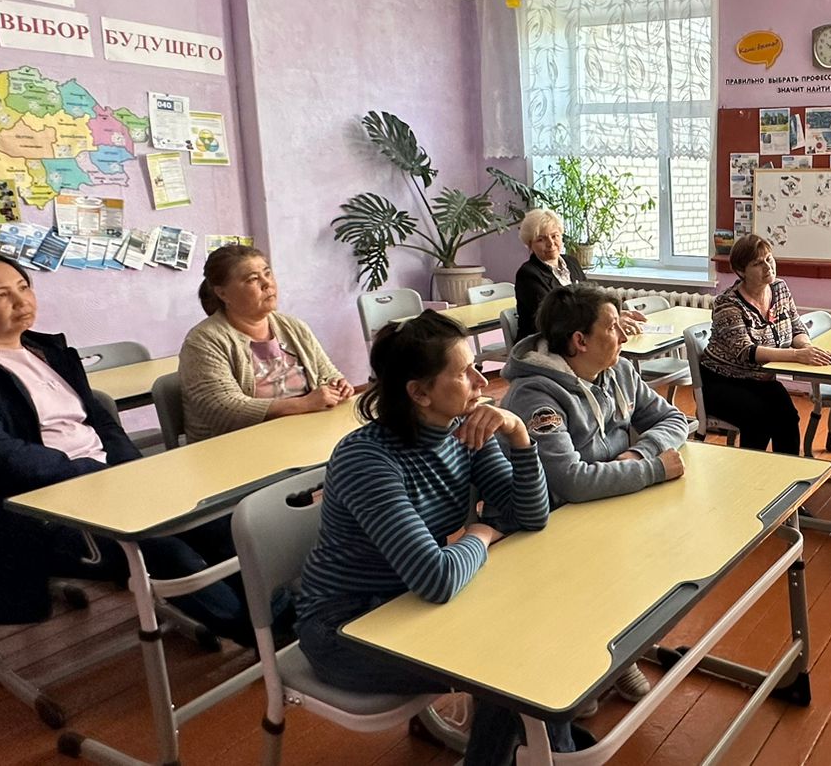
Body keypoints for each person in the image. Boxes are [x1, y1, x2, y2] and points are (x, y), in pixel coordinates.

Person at [295, 309, 580, 763]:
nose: (482, 382)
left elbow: (530, 516)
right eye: (464, 373)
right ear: (419, 392)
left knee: (537, 633)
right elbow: (437, 578)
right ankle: (536, 748)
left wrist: (519, 435)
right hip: (344, 628)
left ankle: (543, 747)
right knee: (512, 670)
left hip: (409, 603)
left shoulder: (461, 431)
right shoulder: (366, 460)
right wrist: (480, 534)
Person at [0, 252, 257, 647]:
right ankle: (263, 636)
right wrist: (90, 474)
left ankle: (277, 617)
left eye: (23, 287)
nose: (22, 302)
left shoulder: (45, 351)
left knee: (222, 524)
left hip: (106, 484)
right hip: (40, 510)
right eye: (2, 295)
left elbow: (101, 421)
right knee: (168, 552)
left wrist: (130, 471)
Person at [501, 283, 692, 704]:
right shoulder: (536, 395)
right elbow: (570, 481)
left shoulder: (617, 370)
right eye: (612, 326)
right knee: (597, 578)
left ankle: (619, 649)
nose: (623, 334)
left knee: (655, 560)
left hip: (612, 501)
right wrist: (653, 469)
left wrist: (637, 455)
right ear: (580, 341)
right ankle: (582, 664)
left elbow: (674, 419)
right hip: (555, 521)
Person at [179, 244, 353, 442]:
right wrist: (303, 404)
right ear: (222, 294)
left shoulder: (294, 327)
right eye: (253, 279)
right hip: (236, 445)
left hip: (302, 434)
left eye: (268, 274)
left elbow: (327, 375)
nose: (267, 284)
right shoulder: (203, 342)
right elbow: (224, 409)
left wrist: (337, 386)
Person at [700, 234, 831, 454]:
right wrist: (796, 355)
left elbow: (796, 327)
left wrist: (806, 348)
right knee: (759, 420)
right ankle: (754, 474)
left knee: (788, 418)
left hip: (760, 380)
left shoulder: (779, 288)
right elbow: (746, 352)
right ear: (741, 271)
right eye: (757, 263)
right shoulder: (727, 303)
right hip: (723, 382)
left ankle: (788, 471)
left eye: (769, 259)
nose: (767, 267)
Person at [512, 208, 644, 342]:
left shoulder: (572, 262)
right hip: (545, 341)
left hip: (578, 336)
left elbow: (592, 300)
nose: (550, 244)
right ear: (530, 244)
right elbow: (555, 318)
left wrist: (614, 315)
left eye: (555, 236)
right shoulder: (528, 274)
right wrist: (608, 322)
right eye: (541, 239)